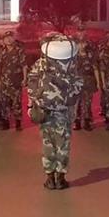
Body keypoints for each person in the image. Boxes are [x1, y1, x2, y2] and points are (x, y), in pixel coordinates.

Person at [27, 32, 83, 190]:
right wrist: (73, 107)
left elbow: (31, 84)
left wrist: (32, 104)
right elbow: (78, 87)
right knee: (63, 143)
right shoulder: (71, 64)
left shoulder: (41, 63)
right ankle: (61, 178)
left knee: (47, 143)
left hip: (45, 109)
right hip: (64, 110)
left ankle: (50, 178)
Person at [0, 31, 27, 131]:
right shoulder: (1, 52)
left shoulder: (19, 51)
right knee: (4, 102)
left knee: (16, 102)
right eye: (6, 38)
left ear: (13, 39)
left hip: (16, 81)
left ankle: (18, 123)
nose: (8, 40)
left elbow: (24, 65)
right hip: (4, 81)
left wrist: (25, 78)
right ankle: (5, 123)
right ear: (3, 40)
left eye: (10, 37)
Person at [74, 39, 99, 131]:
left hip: (89, 82)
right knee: (77, 103)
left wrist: (98, 82)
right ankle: (77, 121)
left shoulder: (90, 55)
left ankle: (87, 121)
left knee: (87, 103)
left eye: (83, 43)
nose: (81, 45)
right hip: (77, 82)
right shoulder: (74, 56)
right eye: (79, 43)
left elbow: (95, 68)